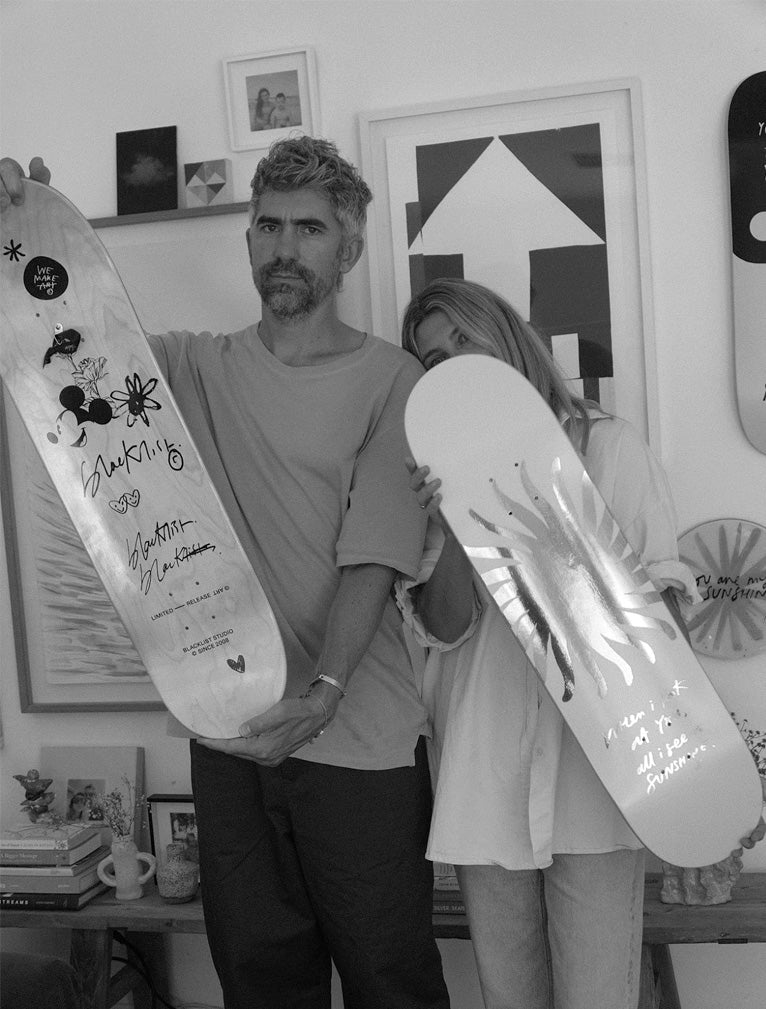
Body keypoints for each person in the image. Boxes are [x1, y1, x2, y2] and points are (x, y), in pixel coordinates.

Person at [0, 145, 450, 1009]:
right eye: (269, 226)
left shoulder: (394, 381)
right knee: (259, 982)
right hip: (230, 738)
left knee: (391, 982)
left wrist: (323, 691)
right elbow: (58, 353)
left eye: (309, 229)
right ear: (248, 240)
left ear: (350, 248)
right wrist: (27, 234)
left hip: (361, 742)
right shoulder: (186, 370)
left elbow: (375, 554)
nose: (285, 247)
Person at [397, 277, 765, 1009]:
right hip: (486, 778)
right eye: (434, 358)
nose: (454, 363)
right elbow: (443, 628)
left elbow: (664, 616)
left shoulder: (609, 444)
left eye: (464, 338)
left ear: (505, 333)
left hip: (600, 782)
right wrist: (460, 527)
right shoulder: (434, 477)